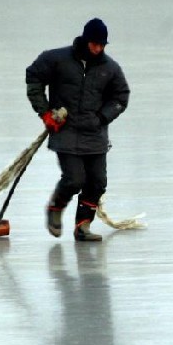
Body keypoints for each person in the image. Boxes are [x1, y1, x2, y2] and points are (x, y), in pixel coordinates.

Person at [25, 18, 130, 241]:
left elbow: (121, 97)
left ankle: (82, 225)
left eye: (102, 45)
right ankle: (55, 208)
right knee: (74, 180)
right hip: (65, 131)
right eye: (94, 44)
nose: (98, 48)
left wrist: (102, 117)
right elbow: (33, 77)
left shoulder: (110, 68)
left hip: (95, 134)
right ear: (85, 40)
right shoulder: (56, 59)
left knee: (97, 182)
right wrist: (45, 113)